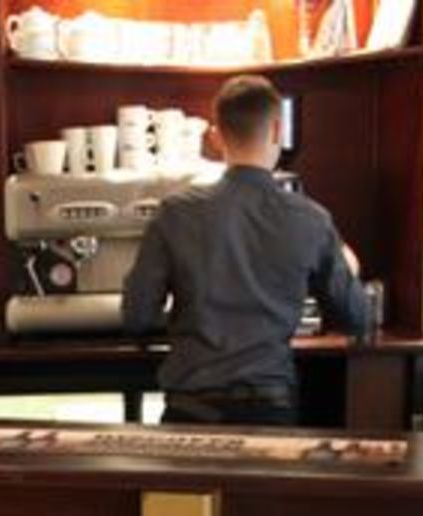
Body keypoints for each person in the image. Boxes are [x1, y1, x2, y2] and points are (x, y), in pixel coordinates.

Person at [122, 75, 371, 428]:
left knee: (186, 487)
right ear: (277, 130)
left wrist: (188, 320)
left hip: (189, 411)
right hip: (270, 411)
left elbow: (137, 318)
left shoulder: (175, 213)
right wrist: (348, 266)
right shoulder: (311, 219)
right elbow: (356, 318)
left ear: (215, 135)